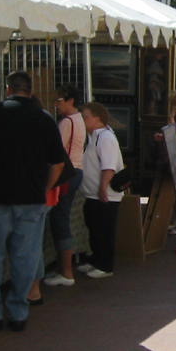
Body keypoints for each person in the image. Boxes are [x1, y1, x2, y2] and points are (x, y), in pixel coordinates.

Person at [0, 71, 65, 331]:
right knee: (25, 257)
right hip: (31, 199)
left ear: (8, 89)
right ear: (30, 91)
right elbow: (58, 163)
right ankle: (19, 311)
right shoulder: (44, 120)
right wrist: (45, 188)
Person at [42, 85, 86, 288]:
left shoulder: (67, 122)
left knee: (60, 218)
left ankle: (66, 272)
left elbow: (55, 152)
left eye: (59, 100)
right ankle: (64, 269)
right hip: (76, 171)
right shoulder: (79, 120)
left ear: (70, 101)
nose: (57, 104)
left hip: (67, 173)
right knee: (62, 216)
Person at [75, 102, 125, 279]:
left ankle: (105, 265)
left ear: (98, 119)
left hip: (105, 196)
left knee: (104, 230)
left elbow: (108, 166)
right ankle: (96, 259)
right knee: (95, 229)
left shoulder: (105, 138)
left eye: (86, 117)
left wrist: (103, 187)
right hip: (92, 194)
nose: (83, 120)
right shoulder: (94, 137)